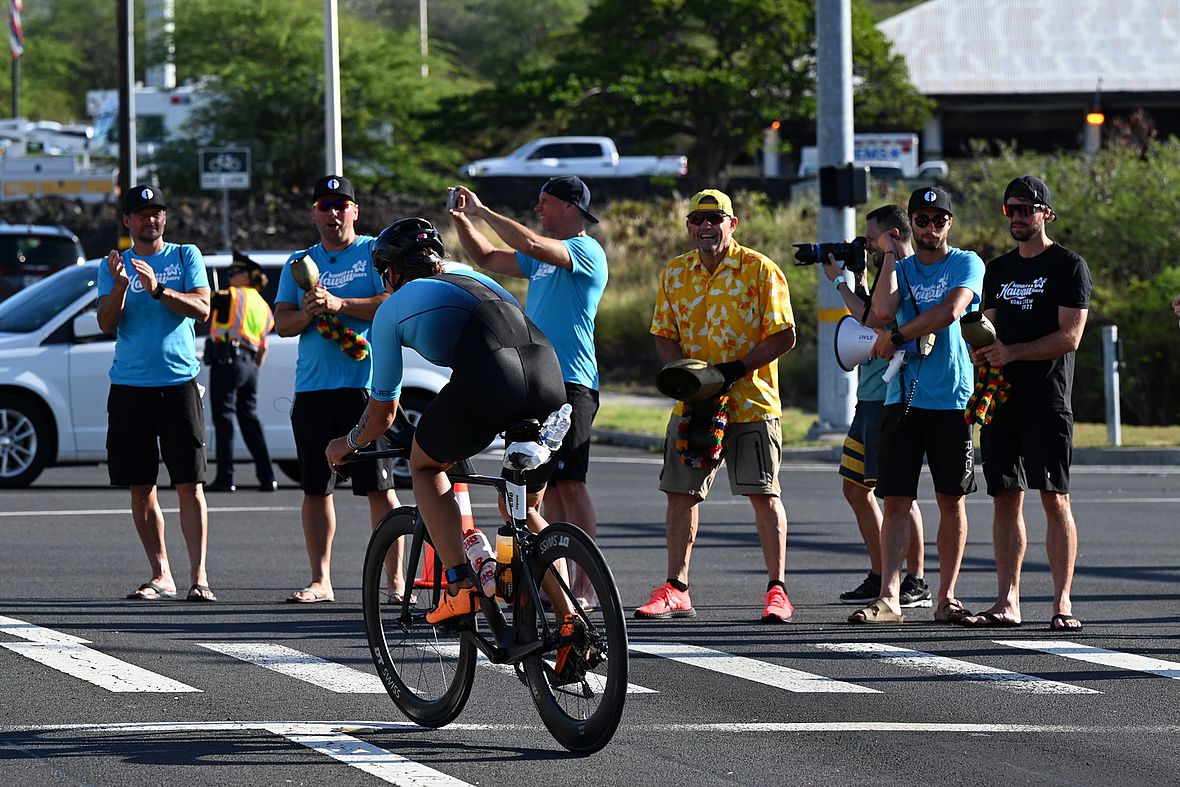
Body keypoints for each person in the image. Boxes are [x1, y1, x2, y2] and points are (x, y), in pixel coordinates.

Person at [324, 218, 572, 632]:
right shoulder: (473, 275)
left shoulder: (391, 308)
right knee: (526, 508)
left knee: (425, 466)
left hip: (493, 378)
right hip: (548, 374)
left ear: (393, 272)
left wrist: (346, 444)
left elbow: (383, 412)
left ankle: (458, 584)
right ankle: (569, 622)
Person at [637, 189, 797, 624]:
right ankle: (676, 588)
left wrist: (735, 368)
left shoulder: (759, 269)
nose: (706, 227)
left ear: (733, 223)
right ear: (689, 225)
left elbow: (784, 335)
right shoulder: (676, 272)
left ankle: (777, 590)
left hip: (751, 401)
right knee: (680, 492)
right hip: (695, 403)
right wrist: (681, 374)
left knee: (763, 493)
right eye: (698, 219)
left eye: (715, 218)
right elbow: (663, 331)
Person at [449, 178, 607, 578]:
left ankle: (588, 585)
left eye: (546, 202)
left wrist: (482, 211)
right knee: (544, 489)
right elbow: (485, 256)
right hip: (538, 380)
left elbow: (534, 244)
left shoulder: (585, 250)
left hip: (572, 381)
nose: (538, 209)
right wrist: (462, 220)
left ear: (571, 207)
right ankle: (561, 582)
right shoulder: (539, 260)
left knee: (571, 484)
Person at [957, 176, 1091, 630]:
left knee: (1054, 498)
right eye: (1009, 209)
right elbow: (989, 323)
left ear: (1045, 214)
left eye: (1025, 208)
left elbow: (1070, 337)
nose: (1016, 216)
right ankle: (1006, 602)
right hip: (1001, 401)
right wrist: (975, 340)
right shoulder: (999, 269)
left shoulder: (1069, 266)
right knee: (1005, 498)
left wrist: (1012, 352)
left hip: (1046, 400)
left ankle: (1062, 604)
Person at [848, 186, 984, 625]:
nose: (930, 228)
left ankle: (946, 597)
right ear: (910, 225)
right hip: (901, 399)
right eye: (921, 220)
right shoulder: (901, 268)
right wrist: (889, 253)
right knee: (896, 501)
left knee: (950, 500)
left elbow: (950, 310)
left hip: (950, 399)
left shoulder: (966, 262)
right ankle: (888, 597)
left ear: (949, 223)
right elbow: (883, 312)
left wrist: (901, 336)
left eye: (937, 219)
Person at [274, 175, 400, 604]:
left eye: (341, 206)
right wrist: (310, 312)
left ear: (355, 211)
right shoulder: (299, 262)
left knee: (378, 489)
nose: (333, 214)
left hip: (365, 390)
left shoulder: (371, 252)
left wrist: (340, 305)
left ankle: (396, 584)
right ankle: (320, 580)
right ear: (314, 213)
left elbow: (391, 302)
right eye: (325, 206)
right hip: (313, 390)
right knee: (315, 489)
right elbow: (282, 324)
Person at [97, 184, 216, 602]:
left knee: (190, 483)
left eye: (158, 212)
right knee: (140, 485)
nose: (152, 219)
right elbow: (106, 324)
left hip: (177, 384)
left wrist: (159, 290)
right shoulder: (113, 265)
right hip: (130, 386)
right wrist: (119, 287)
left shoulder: (186, 256)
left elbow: (203, 309)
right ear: (127, 220)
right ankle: (161, 573)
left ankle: (199, 577)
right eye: (143, 213)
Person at [821, 204, 928, 608]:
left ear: (893, 236)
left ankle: (914, 580)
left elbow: (873, 321)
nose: (864, 244)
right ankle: (883, 570)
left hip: (888, 398)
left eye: (871, 238)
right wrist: (860, 274)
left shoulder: (906, 270)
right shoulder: (885, 270)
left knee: (898, 495)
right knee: (855, 488)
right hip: (868, 400)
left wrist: (839, 285)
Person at [206, 253, 278, 493]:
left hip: (228, 361)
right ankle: (267, 476)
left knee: (223, 419)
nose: (229, 276)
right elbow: (264, 344)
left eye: (233, 272)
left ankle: (226, 477)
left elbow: (204, 303)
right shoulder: (264, 307)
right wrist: (254, 368)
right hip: (251, 365)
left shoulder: (231, 295)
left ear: (247, 275)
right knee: (249, 419)